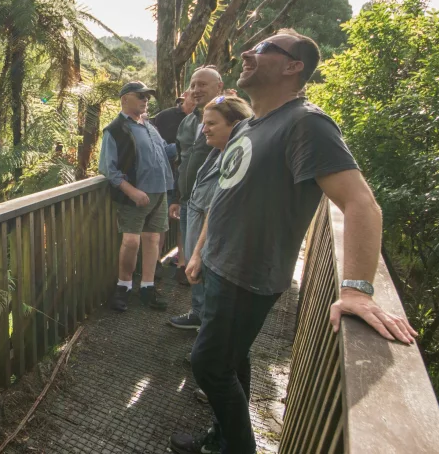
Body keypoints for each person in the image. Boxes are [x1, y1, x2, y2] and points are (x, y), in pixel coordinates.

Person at [170, 30, 417, 454]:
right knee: (234, 359)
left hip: (247, 275)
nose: (248, 51)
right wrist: (198, 252)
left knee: (208, 365)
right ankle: (223, 436)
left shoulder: (307, 123)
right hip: (217, 264)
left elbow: (361, 204)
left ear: (293, 67)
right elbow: (224, 195)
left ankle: (239, 448)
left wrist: (356, 291)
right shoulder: (249, 125)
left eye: (264, 48)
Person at [177, 95, 254, 334]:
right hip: (198, 223)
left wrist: (198, 253)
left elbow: (219, 207)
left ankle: (208, 346)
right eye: (204, 123)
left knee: (215, 296)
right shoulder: (218, 151)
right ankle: (200, 320)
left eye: (212, 124)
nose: (205, 129)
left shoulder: (238, 158)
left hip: (213, 241)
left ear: (236, 124)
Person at [99, 81, 177, 312]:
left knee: (153, 240)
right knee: (131, 241)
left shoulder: (149, 126)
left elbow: (165, 150)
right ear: (124, 99)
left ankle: (147, 288)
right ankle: (122, 287)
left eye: (147, 97)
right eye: (140, 95)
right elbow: (107, 168)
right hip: (135, 196)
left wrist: (188, 142)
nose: (145, 100)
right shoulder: (115, 129)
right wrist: (131, 191)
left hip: (160, 191)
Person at [167, 67, 224, 329]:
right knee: (192, 258)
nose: (196, 89)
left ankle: (211, 320)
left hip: (213, 204)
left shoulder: (228, 119)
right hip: (189, 201)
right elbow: (181, 160)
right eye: (193, 84)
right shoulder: (188, 122)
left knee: (209, 261)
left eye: (203, 84)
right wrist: (178, 197)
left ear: (219, 87)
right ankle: (199, 313)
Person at [152, 90, 195, 280]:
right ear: (185, 94)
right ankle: (154, 264)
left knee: (184, 226)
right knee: (161, 225)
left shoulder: (207, 116)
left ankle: (182, 265)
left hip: (191, 181)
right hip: (166, 181)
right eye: (193, 90)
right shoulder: (164, 117)